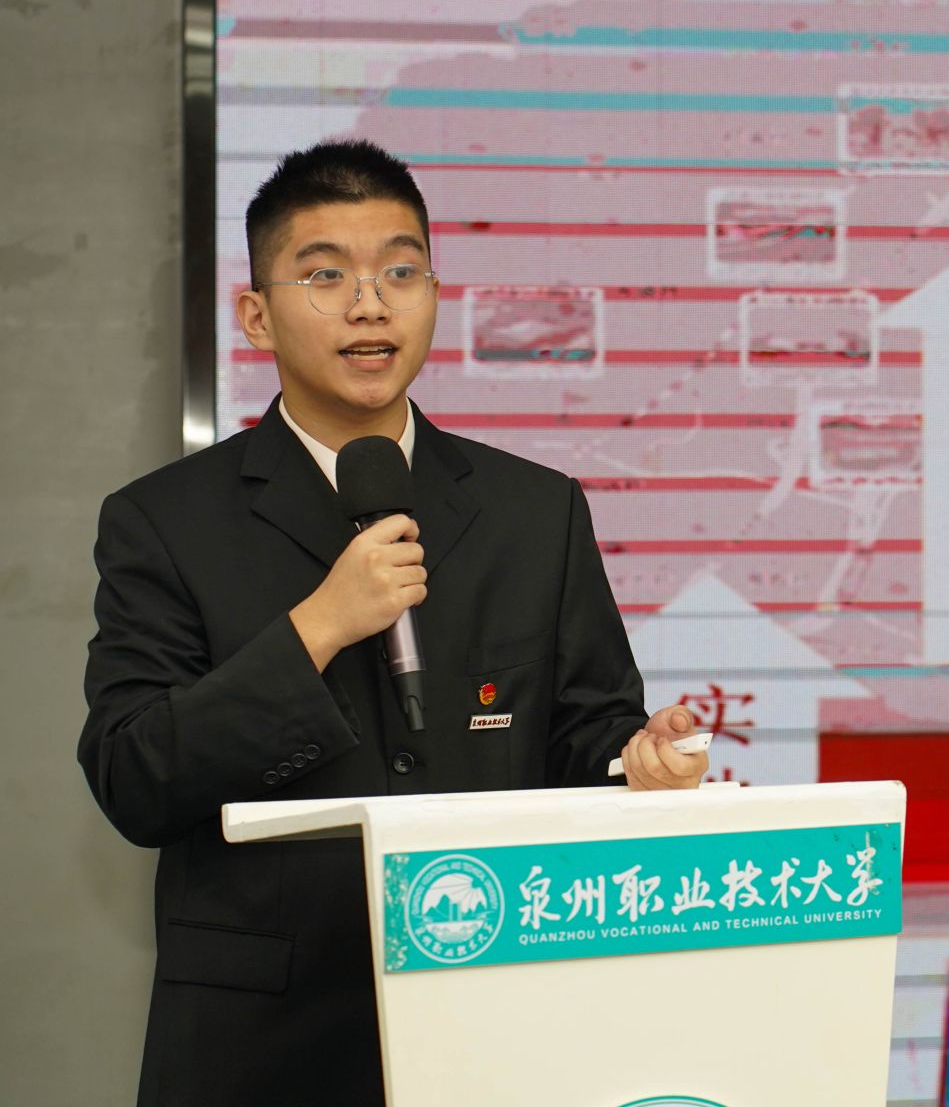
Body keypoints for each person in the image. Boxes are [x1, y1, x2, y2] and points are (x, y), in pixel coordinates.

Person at [79, 139, 708, 1107]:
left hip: (497, 1025)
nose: (370, 305)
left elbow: (586, 730)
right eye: (325, 275)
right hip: (262, 1051)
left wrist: (637, 761)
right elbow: (133, 776)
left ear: (435, 295)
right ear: (255, 315)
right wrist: (318, 628)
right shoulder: (164, 521)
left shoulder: (534, 510)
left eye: (400, 271)